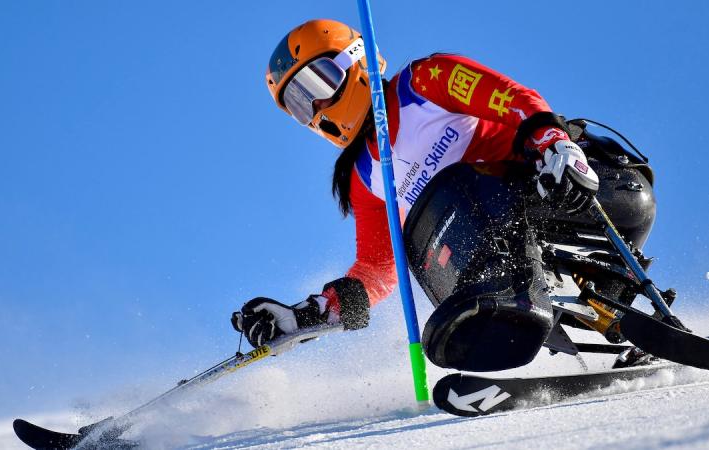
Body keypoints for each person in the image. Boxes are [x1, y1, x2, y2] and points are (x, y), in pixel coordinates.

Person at [231, 19, 651, 372]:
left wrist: (552, 140)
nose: (317, 107)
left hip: (584, 192)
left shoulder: (424, 82)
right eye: (300, 103)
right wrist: (305, 317)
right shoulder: (364, 178)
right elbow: (378, 269)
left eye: (318, 82)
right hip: (502, 256)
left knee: (458, 189)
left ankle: (552, 294)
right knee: (424, 239)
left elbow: (512, 99)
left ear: (355, 61)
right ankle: (522, 323)